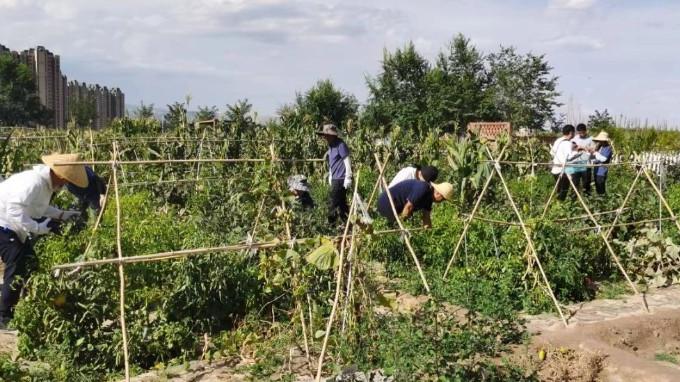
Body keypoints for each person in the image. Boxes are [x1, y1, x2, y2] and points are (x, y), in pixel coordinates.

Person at [0, 153, 87, 328]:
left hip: (12, 225)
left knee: (30, 262)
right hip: (3, 223)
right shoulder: (34, 182)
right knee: (17, 263)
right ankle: (3, 315)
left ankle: (17, 306)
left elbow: (38, 207)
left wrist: (63, 214)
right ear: (59, 174)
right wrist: (39, 228)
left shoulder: (45, 185)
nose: (64, 185)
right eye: (65, 181)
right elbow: (14, 209)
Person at [377, 180, 453, 228]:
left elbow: (426, 216)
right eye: (443, 199)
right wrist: (402, 226)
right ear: (438, 194)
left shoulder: (429, 198)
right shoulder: (423, 189)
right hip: (387, 203)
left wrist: (429, 232)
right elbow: (408, 207)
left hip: (397, 208)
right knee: (393, 229)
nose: (441, 202)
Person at [317, 124, 352, 224]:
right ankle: (347, 225)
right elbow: (333, 163)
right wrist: (331, 175)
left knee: (332, 203)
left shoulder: (340, 144)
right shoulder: (331, 147)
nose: (325, 137)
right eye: (324, 135)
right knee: (342, 204)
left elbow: (346, 160)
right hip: (335, 178)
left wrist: (348, 177)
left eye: (327, 135)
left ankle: (330, 225)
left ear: (332, 135)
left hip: (341, 178)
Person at [550, 124, 580, 200]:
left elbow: (552, 152)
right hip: (563, 170)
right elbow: (569, 157)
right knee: (563, 190)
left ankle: (558, 205)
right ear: (571, 132)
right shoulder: (567, 143)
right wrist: (578, 153)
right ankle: (561, 206)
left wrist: (559, 157)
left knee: (559, 189)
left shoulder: (559, 141)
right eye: (574, 132)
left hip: (556, 169)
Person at [572, 123, 594, 195]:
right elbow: (571, 148)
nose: (581, 134)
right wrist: (577, 148)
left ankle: (587, 197)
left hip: (586, 164)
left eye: (583, 132)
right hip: (576, 164)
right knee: (575, 182)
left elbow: (593, 150)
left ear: (586, 131)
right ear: (577, 132)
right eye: (579, 132)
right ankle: (574, 198)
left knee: (586, 182)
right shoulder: (575, 139)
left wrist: (586, 149)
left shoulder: (590, 139)